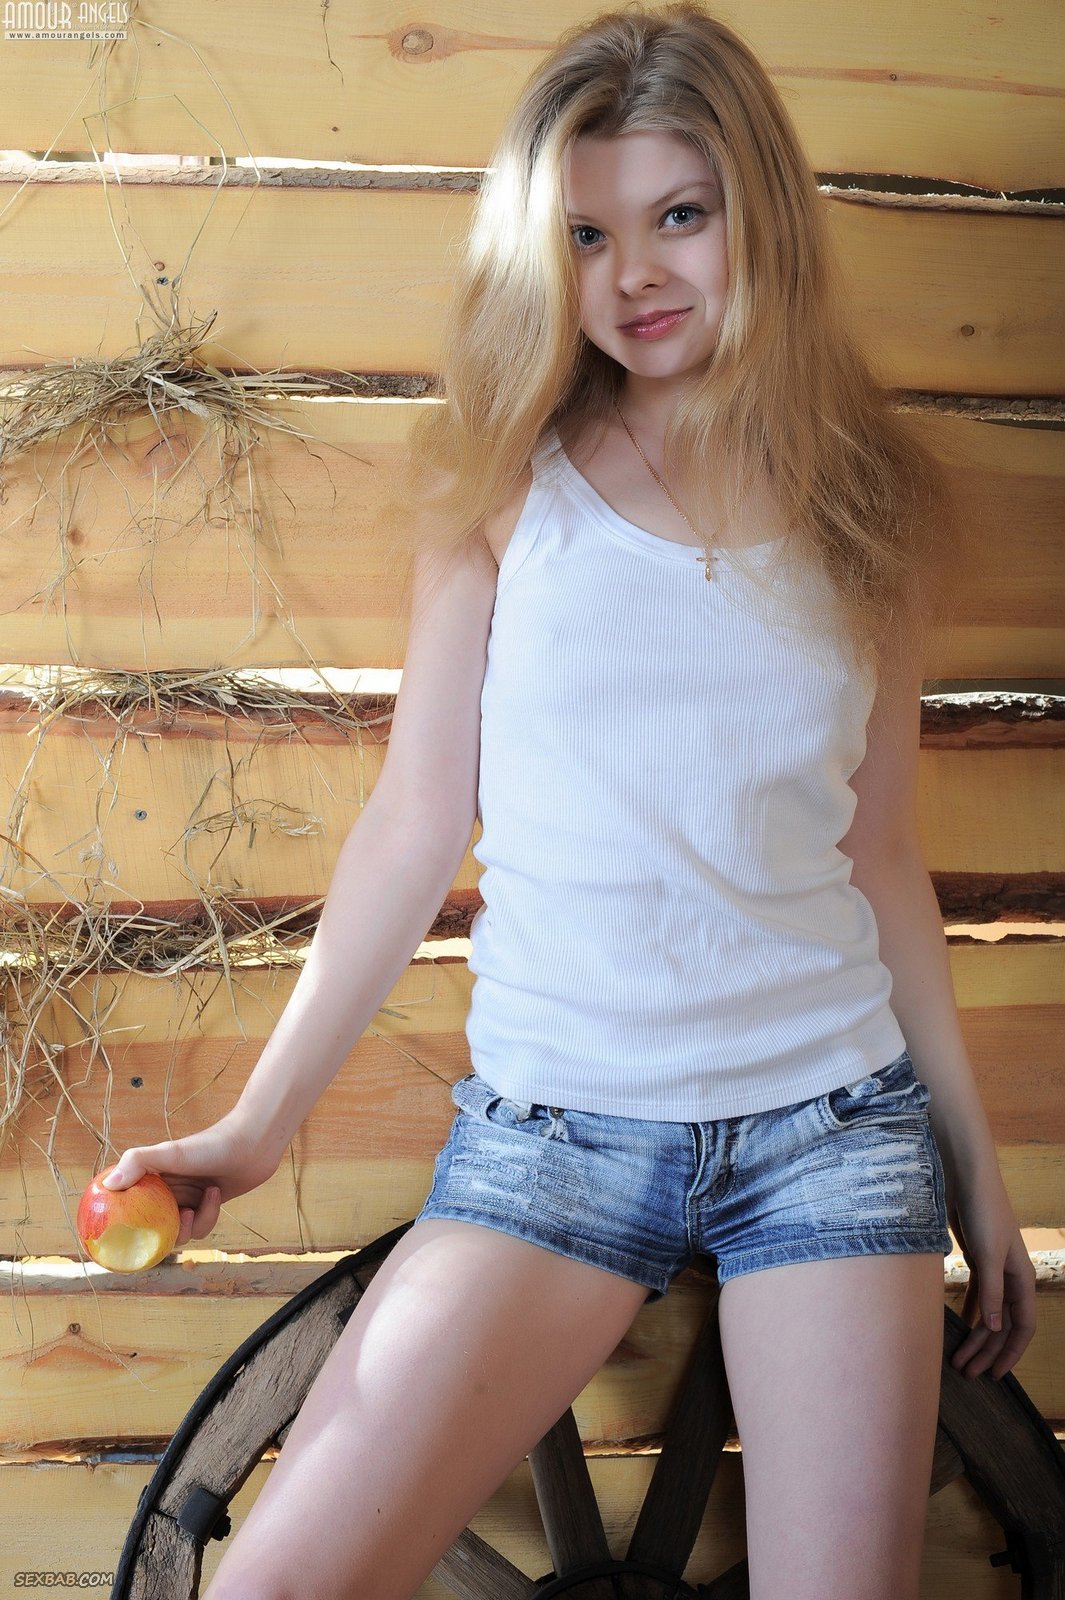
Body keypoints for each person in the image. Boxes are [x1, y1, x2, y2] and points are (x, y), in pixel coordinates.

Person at [102, 6, 1037, 1597]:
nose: (635, 275)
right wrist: (256, 1128)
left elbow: (881, 856)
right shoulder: (501, 486)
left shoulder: (866, 503)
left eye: (679, 216)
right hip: (555, 1136)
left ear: (758, 213)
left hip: (827, 1131)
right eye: (587, 236)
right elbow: (413, 826)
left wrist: (971, 1165)